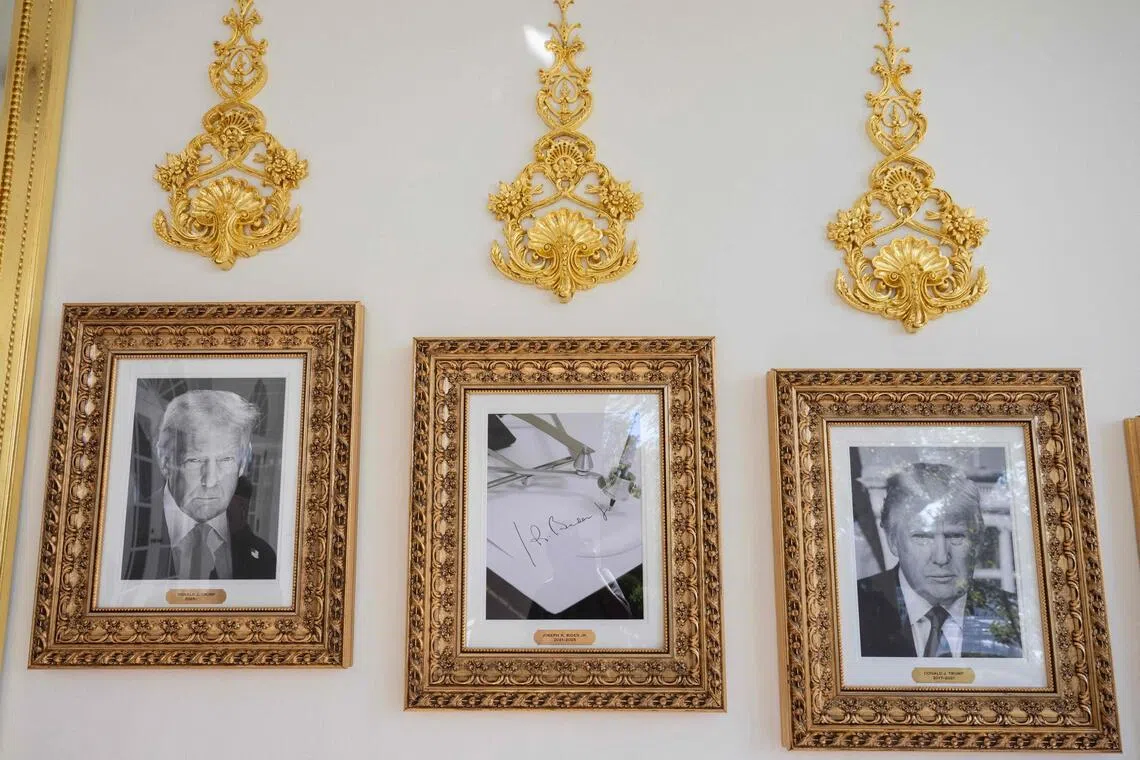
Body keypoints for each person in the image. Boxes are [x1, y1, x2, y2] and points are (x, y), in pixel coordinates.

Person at [856, 462, 1022, 658]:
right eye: (922, 537)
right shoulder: (851, 610)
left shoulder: (1017, 617)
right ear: (893, 541)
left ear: (977, 541)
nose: (941, 558)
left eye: (956, 536)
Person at [123, 389, 277, 581]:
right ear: (164, 461)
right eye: (194, 460)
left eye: (226, 459)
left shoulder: (264, 559)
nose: (211, 480)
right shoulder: (123, 534)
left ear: (243, 463)